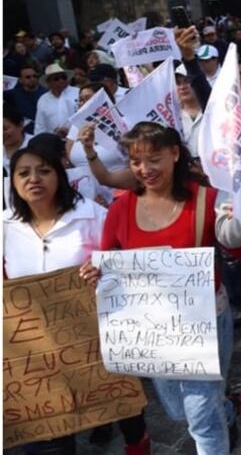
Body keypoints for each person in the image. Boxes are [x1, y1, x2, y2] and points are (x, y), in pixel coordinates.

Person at [80, 123, 241, 453]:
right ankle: (227, 407)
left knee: (201, 416)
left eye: (153, 159)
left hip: (205, 322)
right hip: (152, 328)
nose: (145, 170)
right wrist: (95, 273)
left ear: (175, 154)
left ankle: (217, 415)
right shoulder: (120, 209)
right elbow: (109, 260)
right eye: (136, 162)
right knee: (177, 409)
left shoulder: (206, 199)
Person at [4, 146, 150, 454]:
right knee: (55, 430)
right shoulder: (6, 227)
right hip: (38, 351)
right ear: (12, 182)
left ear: (59, 176)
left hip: (98, 336)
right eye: (24, 173)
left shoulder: (91, 215)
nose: (34, 179)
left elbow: (125, 258)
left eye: (44, 171)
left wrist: (103, 268)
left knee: (124, 410)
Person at [35, 63, 79, 137]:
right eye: (56, 79)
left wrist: (71, 131)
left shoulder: (78, 92)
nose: (61, 80)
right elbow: (40, 125)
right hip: (54, 140)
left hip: (78, 138)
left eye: (63, 77)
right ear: (48, 82)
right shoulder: (43, 99)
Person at [8, 63, 44, 130]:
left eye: (34, 76)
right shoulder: (13, 94)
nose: (32, 78)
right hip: (23, 133)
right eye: (28, 77)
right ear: (20, 80)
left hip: (43, 131)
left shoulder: (46, 93)